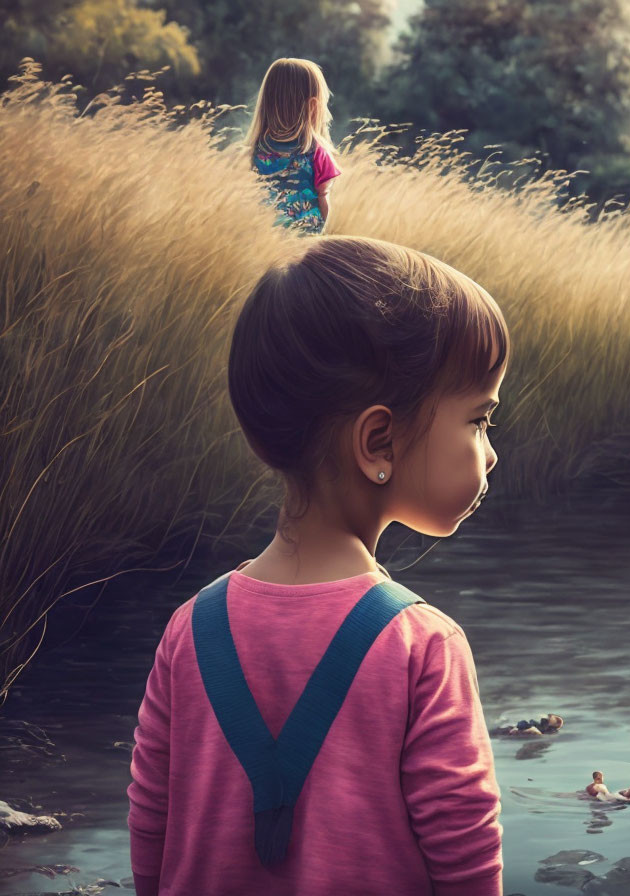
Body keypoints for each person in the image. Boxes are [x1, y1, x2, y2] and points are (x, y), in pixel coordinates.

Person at [127, 236, 509, 896]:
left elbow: (150, 837)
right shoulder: (423, 648)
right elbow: (466, 861)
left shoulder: (189, 634)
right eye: (479, 421)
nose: (490, 454)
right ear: (378, 441)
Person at [246, 58, 342, 234]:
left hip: (261, 241)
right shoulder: (317, 152)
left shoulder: (252, 152)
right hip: (303, 244)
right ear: (314, 106)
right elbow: (323, 198)